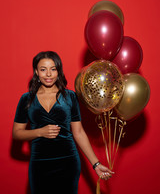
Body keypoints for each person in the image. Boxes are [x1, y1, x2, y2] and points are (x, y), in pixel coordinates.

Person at [12, 51, 114, 194]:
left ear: (58, 71)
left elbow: (78, 133)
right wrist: (39, 132)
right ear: (36, 71)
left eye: (53, 69)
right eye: (43, 69)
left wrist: (95, 164)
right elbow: (16, 133)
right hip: (39, 164)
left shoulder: (70, 97)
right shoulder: (26, 99)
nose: (48, 74)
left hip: (68, 162)